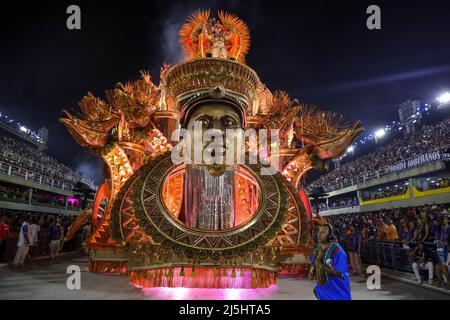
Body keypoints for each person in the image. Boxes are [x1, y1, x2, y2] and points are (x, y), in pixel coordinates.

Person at [309, 221, 351, 300]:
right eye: (319, 232)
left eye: (323, 232)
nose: (319, 234)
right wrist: (313, 268)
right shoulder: (318, 248)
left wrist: (321, 265)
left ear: (330, 235)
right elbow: (314, 260)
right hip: (321, 290)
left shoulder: (337, 251)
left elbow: (341, 274)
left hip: (336, 292)